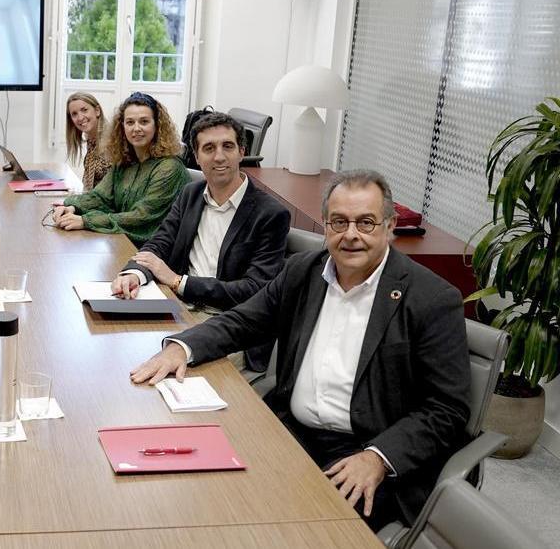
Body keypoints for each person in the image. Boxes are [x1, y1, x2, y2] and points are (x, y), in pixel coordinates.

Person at [129, 170, 469, 530]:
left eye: (366, 223)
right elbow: (243, 321)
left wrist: (379, 458)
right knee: (206, 490)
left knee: (301, 528)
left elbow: (447, 407)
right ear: (325, 226)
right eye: (338, 222)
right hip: (291, 430)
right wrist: (182, 348)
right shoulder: (302, 271)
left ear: (390, 226)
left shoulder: (432, 298)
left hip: (364, 450)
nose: (350, 234)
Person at [112, 111, 290, 312]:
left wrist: (178, 282)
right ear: (196, 157)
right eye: (209, 148)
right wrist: (134, 274)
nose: (219, 157)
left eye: (228, 146)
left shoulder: (271, 214)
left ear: (242, 152)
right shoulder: (191, 194)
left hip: (228, 320)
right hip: (179, 307)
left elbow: (255, 289)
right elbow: (161, 242)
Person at [54, 92, 189, 246]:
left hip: (154, 251)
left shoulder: (169, 168)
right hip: (123, 242)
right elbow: (100, 197)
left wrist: (86, 221)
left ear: (157, 126)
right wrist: (72, 207)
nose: (136, 128)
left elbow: (142, 216)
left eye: (144, 122)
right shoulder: (125, 162)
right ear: (122, 126)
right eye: (130, 122)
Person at [65, 91, 111, 191]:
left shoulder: (112, 141)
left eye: (84, 110)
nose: (80, 118)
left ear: (97, 111)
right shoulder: (91, 140)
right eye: (74, 114)